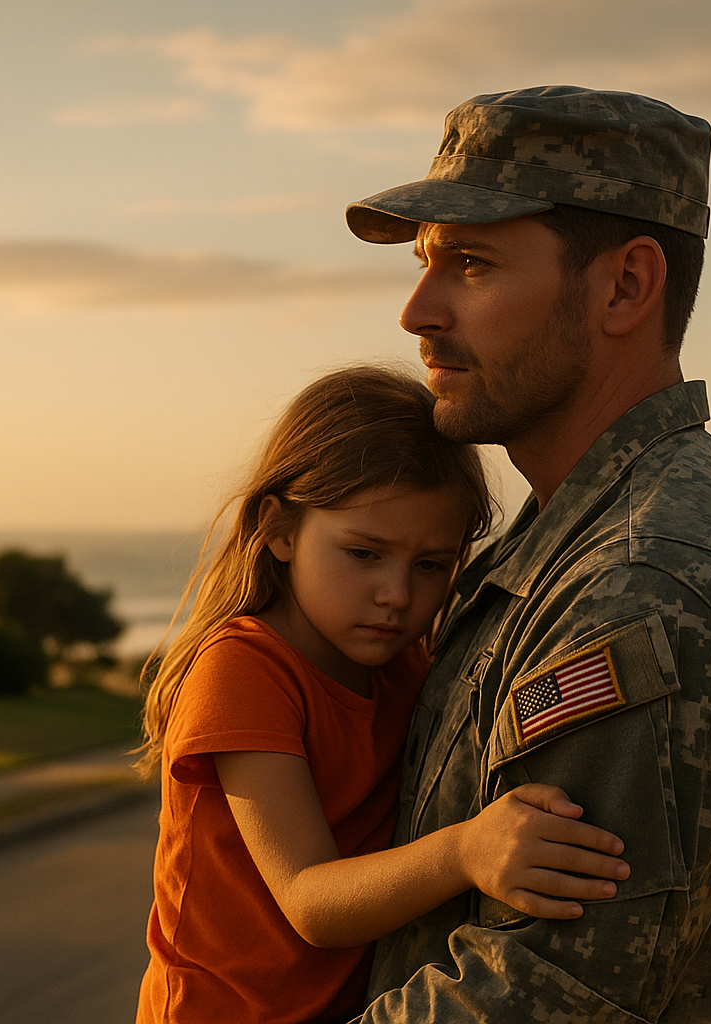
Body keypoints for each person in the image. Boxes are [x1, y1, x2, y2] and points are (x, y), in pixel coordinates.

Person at [343, 87, 711, 1022]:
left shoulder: (645, 584)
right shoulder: (570, 533)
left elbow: (536, 998)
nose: (416, 311)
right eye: (423, 266)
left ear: (625, 287)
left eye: (471, 265)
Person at [133, 366, 631, 1024]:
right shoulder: (244, 668)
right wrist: (467, 849)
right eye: (365, 553)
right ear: (279, 529)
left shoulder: (406, 669)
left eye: (430, 565)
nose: (397, 595)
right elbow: (310, 900)